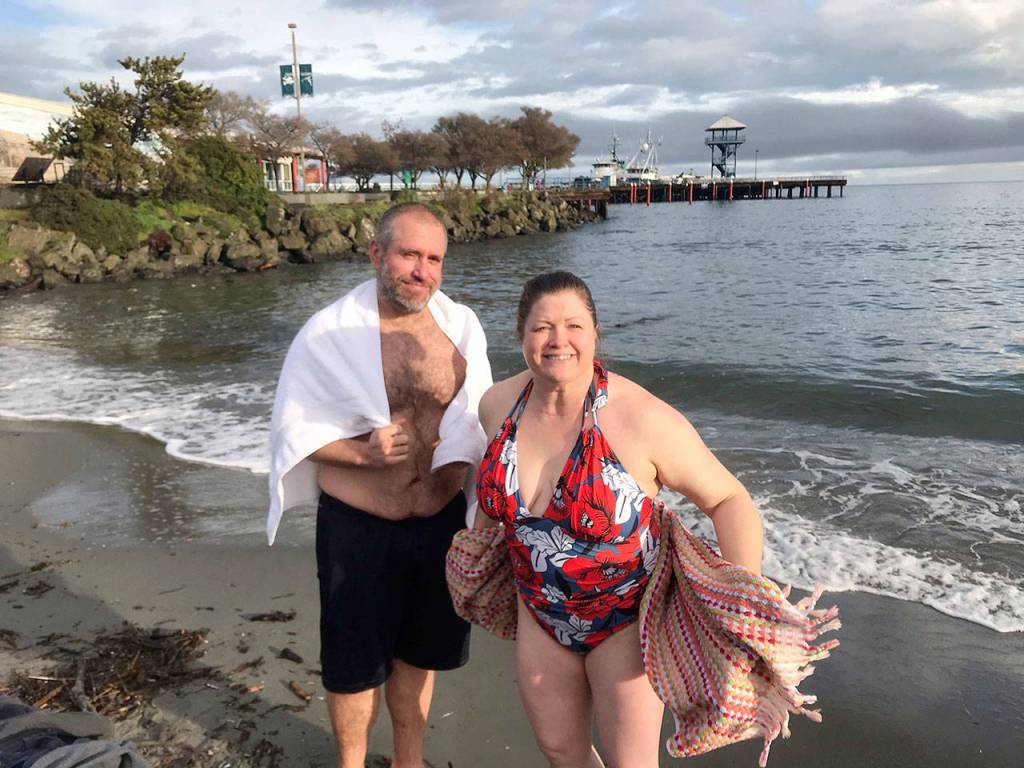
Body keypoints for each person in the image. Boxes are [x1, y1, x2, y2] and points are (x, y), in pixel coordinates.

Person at [473, 271, 764, 768]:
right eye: (542, 327)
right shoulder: (497, 405)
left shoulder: (639, 418)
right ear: (521, 334)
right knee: (561, 751)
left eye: (574, 326)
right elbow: (495, 489)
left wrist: (740, 609)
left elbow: (729, 500)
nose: (558, 340)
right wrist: (476, 557)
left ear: (595, 333)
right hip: (539, 614)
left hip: (625, 623)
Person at [266, 202, 492, 768]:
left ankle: (407, 760)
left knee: (420, 654)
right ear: (376, 253)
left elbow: (483, 417)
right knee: (353, 666)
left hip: (438, 523)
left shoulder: (461, 328)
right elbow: (292, 431)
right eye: (409, 254)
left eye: (434, 259)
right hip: (360, 527)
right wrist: (361, 453)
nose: (422, 271)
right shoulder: (329, 333)